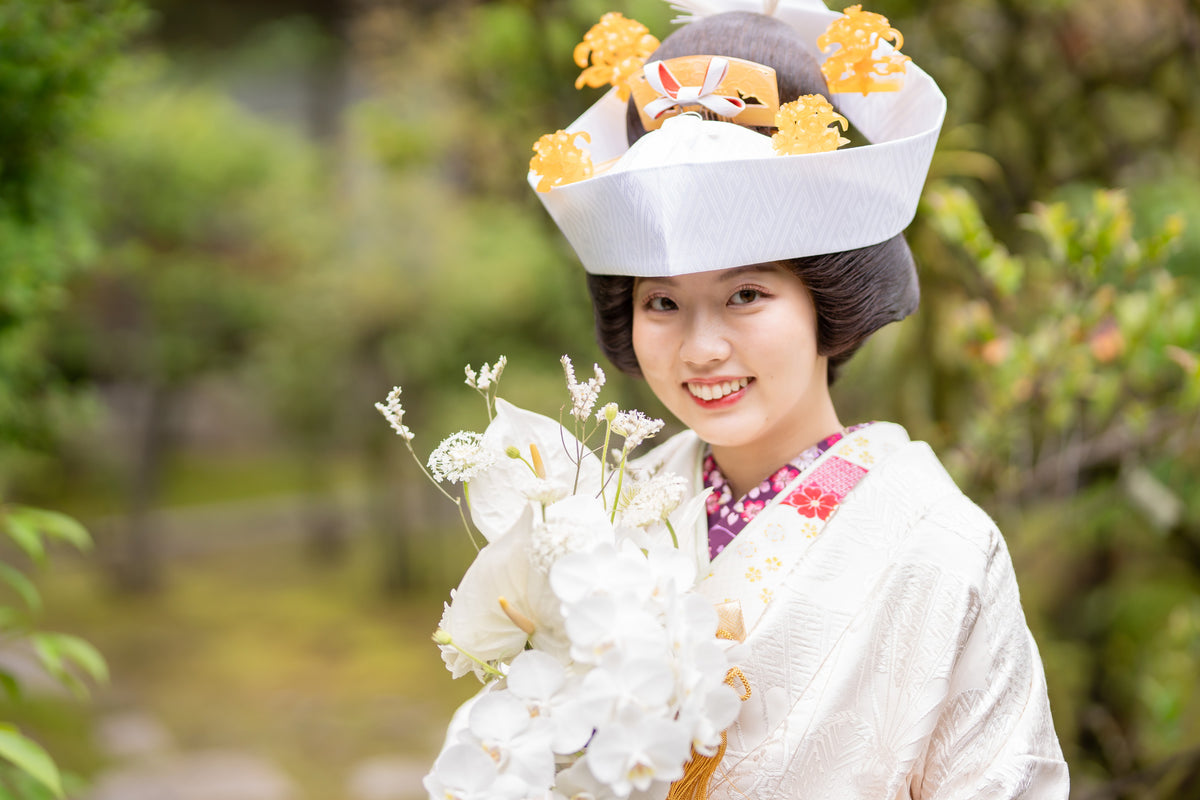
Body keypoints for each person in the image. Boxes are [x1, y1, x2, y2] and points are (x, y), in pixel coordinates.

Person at [527, 0, 1070, 797]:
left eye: (746, 294)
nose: (702, 347)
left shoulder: (939, 546)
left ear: (828, 301)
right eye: (662, 303)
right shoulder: (607, 513)